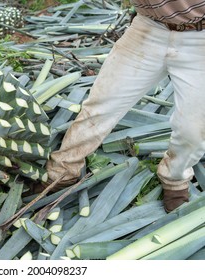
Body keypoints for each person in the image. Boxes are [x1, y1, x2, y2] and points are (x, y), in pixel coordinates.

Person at [44, 0, 205, 213]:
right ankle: (61, 173)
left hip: (200, 38)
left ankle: (175, 179)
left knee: (193, 130)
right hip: (149, 28)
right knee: (101, 106)